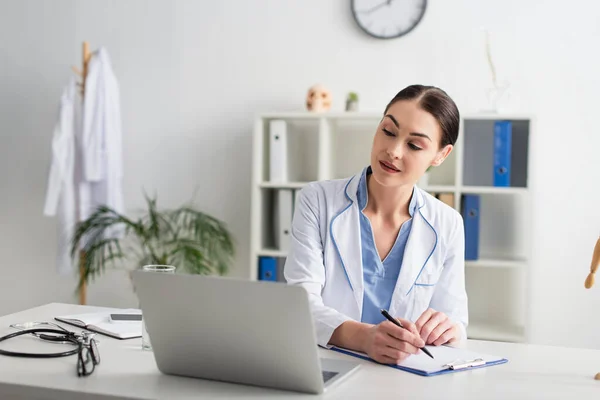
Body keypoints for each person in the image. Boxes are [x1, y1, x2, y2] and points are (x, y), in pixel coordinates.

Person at [284, 84, 467, 365]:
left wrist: (449, 330)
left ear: (441, 155)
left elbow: (454, 319)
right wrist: (365, 338)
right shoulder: (318, 201)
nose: (393, 151)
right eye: (388, 131)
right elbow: (299, 305)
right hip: (327, 368)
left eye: (414, 145)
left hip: (407, 379)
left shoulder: (448, 223)